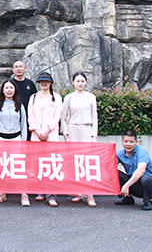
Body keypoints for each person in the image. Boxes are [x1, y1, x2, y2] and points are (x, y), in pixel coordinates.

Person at [61, 72, 98, 207]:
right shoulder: (69, 97)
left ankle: (90, 194)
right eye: (78, 81)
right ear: (73, 82)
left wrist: (94, 135)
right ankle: (77, 192)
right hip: (72, 129)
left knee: (87, 162)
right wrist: (66, 134)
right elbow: (63, 116)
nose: (80, 83)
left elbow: (94, 116)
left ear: (86, 82)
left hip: (86, 129)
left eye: (82, 81)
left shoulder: (91, 97)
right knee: (74, 162)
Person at [0, 79, 29, 206]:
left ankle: (24, 194)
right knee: (1, 166)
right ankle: (1, 193)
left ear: (15, 90)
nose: (9, 90)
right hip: (1, 138)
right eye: (6, 88)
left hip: (16, 138)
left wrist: (23, 140)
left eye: (11, 88)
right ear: (2, 90)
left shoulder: (20, 106)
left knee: (19, 166)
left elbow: (23, 124)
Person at [28, 71, 63, 207]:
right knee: (38, 163)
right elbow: (30, 116)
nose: (43, 83)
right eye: (41, 81)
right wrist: (37, 131)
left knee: (51, 163)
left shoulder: (56, 98)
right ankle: (40, 191)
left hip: (51, 135)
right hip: (36, 135)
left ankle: (51, 194)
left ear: (51, 83)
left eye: (46, 81)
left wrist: (47, 130)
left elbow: (57, 116)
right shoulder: (33, 97)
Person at [116, 129, 152, 211]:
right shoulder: (120, 154)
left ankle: (148, 201)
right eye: (126, 141)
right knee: (115, 173)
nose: (128, 144)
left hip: (150, 187)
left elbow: (141, 171)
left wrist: (126, 186)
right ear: (122, 142)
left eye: (131, 142)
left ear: (136, 142)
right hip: (134, 185)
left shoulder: (141, 151)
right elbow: (109, 166)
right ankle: (128, 198)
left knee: (145, 178)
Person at [11, 60, 37, 140]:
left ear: (25, 69)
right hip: (14, 115)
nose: (18, 69)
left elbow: (35, 100)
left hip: (28, 116)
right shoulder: (10, 83)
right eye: (16, 67)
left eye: (20, 67)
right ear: (13, 70)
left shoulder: (30, 83)